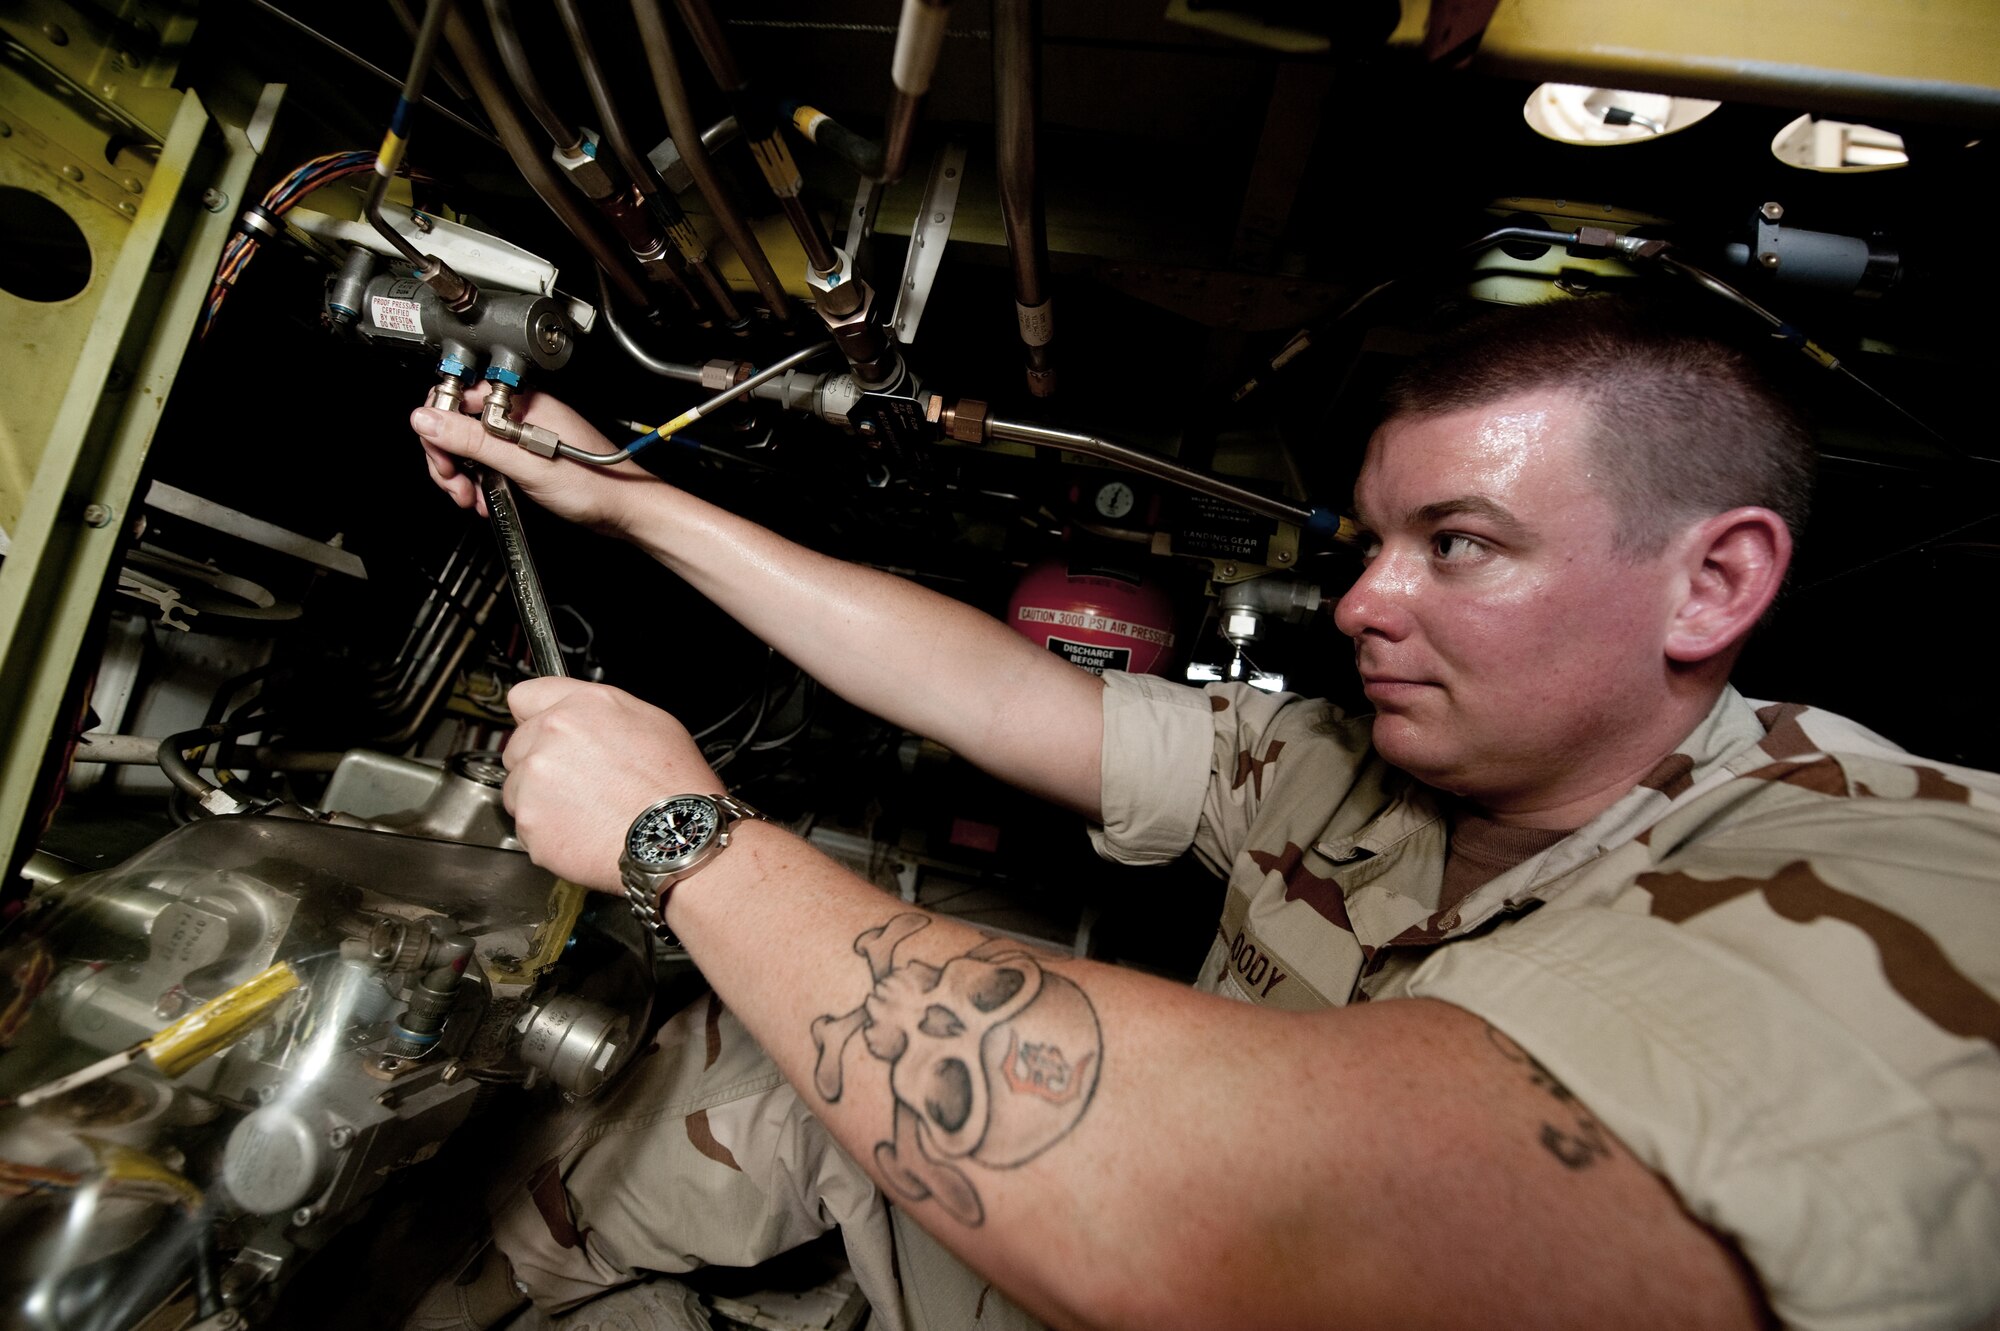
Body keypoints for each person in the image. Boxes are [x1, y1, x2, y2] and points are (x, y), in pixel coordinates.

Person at [406, 297, 2000, 1331]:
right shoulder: (1351, 765)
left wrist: (683, 841)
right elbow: (994, 692)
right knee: (748, 1072)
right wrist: (623, 497)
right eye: (1373, 542)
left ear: (1711, 582)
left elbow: (1273, 1233)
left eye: (1457, 544)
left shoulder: (1902, 878)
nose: (1366, 602)